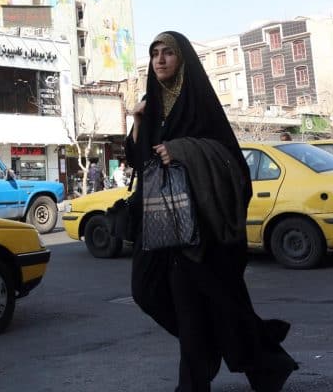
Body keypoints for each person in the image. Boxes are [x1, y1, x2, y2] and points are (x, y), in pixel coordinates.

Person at [118, 31, 297, 392]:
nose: (160, 59)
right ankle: (265, 361)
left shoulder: (199, 103)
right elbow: (139, 161)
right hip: (157, 221)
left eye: (168, 53)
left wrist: (183, 150)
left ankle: (195, 381)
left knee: (195, 305)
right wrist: (137, 122)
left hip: (200, 224)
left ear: (183, 60)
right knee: (148, 291)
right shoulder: (150, 104)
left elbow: (231, 161)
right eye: (155, 53)